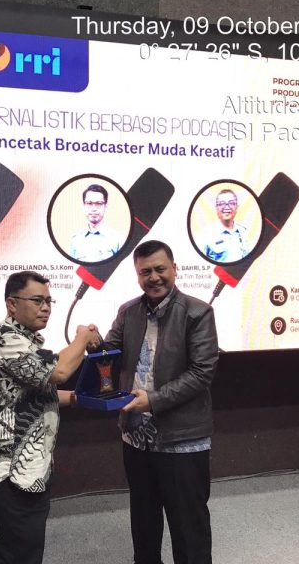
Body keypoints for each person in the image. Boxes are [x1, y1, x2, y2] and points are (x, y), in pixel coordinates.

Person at [103, 240, 219, 564]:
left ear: (174, 269)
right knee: (144, 522)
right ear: (137, 275)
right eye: (145, 272)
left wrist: (153, 401)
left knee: (189, 527)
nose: (153, 277)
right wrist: (94, 343)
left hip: (182, 439)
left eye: (159, 269)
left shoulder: (197, 312)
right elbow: (109, 354)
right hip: (136, 437)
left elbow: (202, 372)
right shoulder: (128, 312)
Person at [0, 270, 102, 564]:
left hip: (26, 469)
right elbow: (59, 371)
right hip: (11, 473)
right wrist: (82, 338)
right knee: (21, 553)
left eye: (48, 301)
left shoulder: (26, 339)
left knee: (21, 549)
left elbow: (35, 393)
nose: (45, 307)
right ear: (12, 304)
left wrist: (78, 398)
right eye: (37, 300)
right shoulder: (6, 339)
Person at [68, 183, 123, 262]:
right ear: (84, 205)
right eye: (89, 203)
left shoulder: (117, 239)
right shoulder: (75, 240)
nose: (93, 209)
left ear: (106, 206)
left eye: (99, 203)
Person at [202, 188, 249, 263]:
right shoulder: (207, 234)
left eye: (231, 203)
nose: (227, 207)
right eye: (221, 204)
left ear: (237, 207)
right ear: (216, 208)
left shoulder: (243, 231)